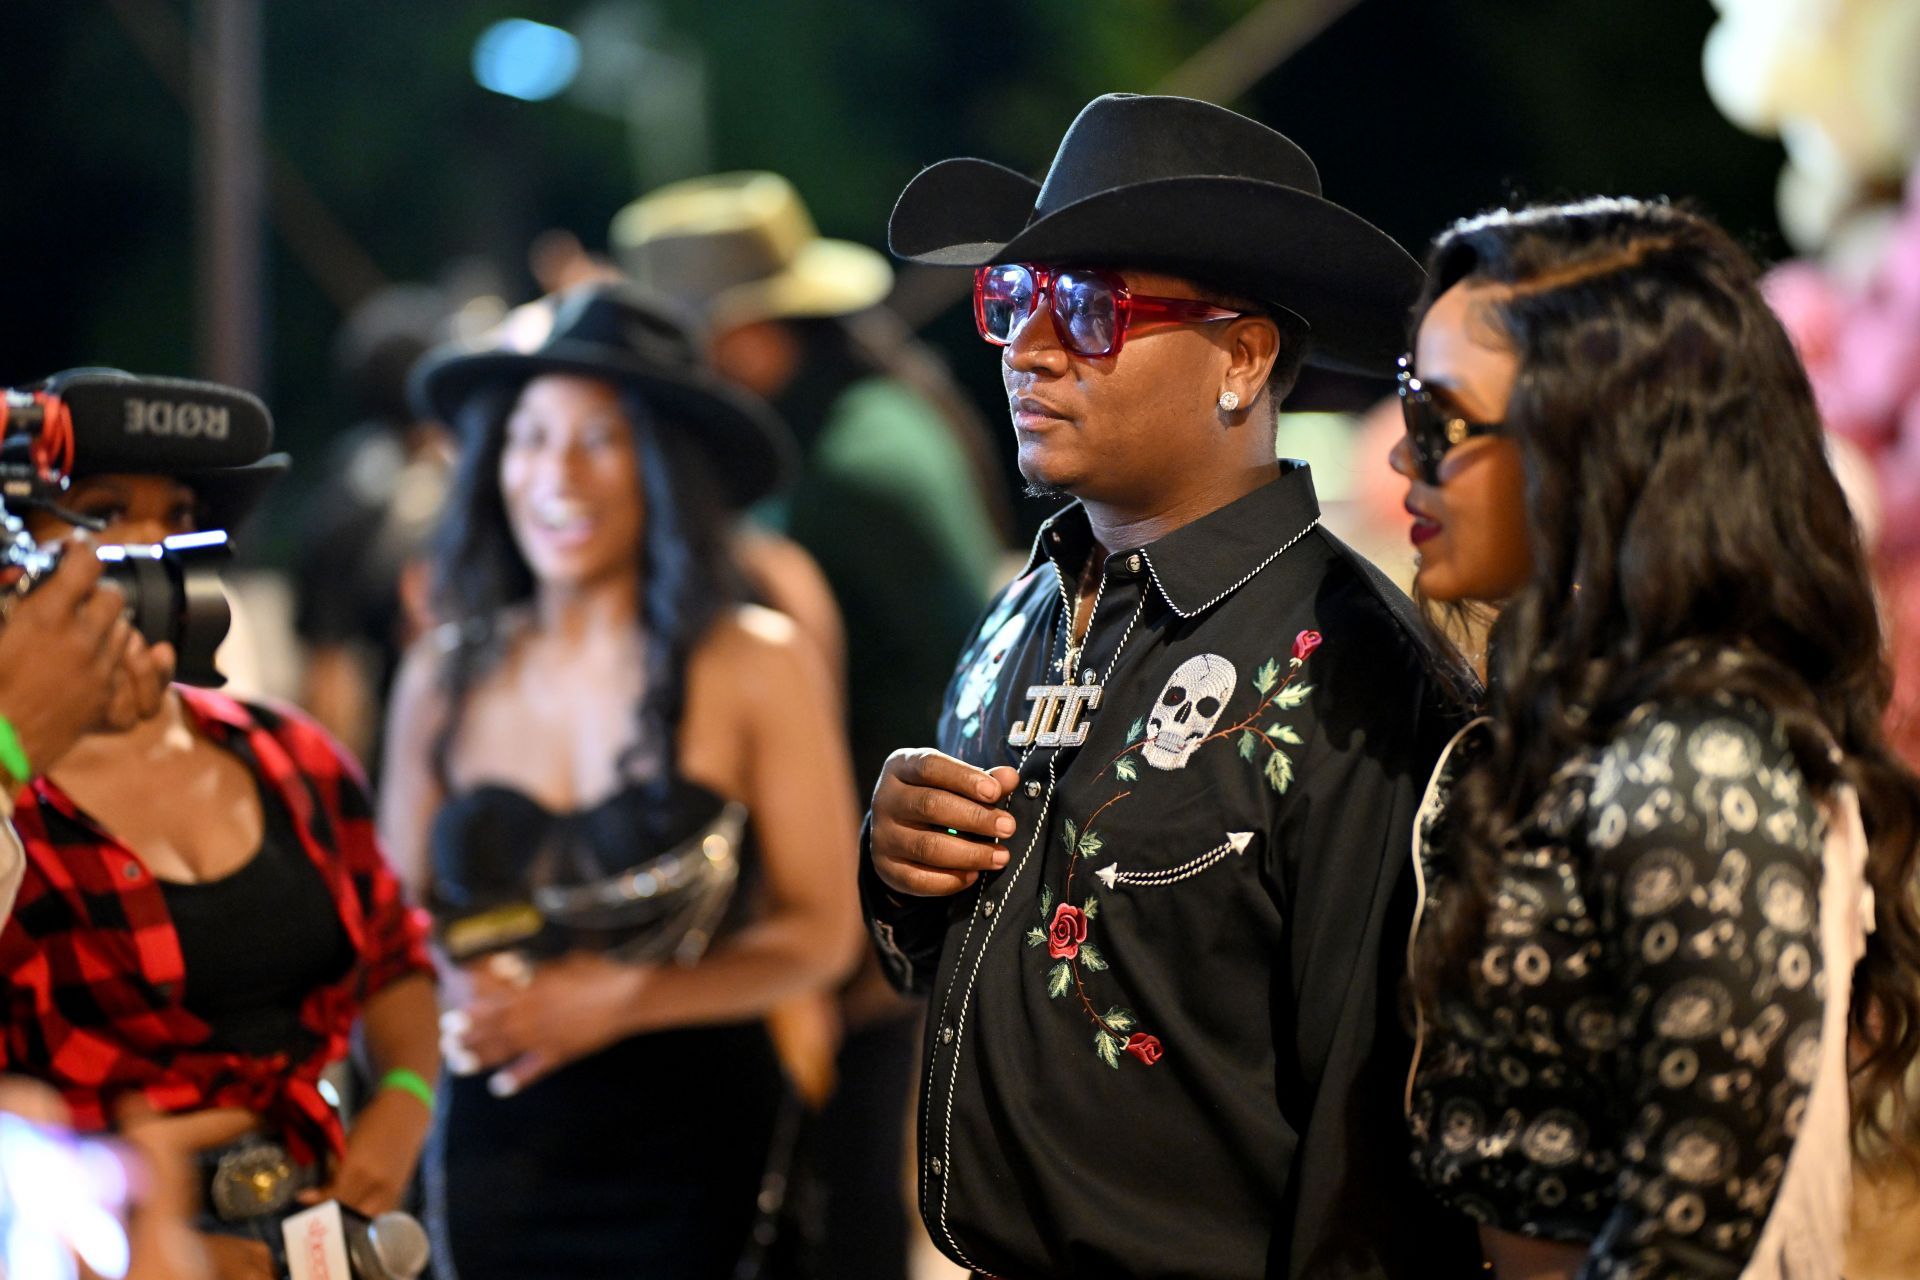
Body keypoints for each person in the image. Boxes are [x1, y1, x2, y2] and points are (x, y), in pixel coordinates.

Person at [860, 92, 1482, 1278]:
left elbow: (1377, 1150)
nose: (1028, 348)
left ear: (1241, 356)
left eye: (1090, 310)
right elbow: (977, 964)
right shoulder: (1024, 609)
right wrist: (898, 872)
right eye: (1014, 301)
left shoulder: (1357, 675)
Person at [1392, 197, 1920, 1278]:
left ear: (1599, 441)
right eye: (1409, 406)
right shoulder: (1589, 716)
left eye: (1443, 420)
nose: (1406, 458)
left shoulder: (1698, 760)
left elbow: (1690, 1231)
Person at [384, 282, 863, 1279]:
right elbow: (394, 921)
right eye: (528, 436)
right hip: (491, 1141)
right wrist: (454, 976)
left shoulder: (754, 660)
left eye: (599, 438)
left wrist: (627, 996)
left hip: (700, 1149)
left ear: (663, 463)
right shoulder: (442, 669)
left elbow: (825, 932)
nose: (556, 473)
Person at [615, 170, 1011, 1276]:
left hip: (866, 913)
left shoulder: (852, 466)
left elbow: (954, 707)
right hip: (862, 900)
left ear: (740, 340)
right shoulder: (867, 414)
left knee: (837, 1223)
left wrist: (843, 944)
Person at [0, 391, 440, 1280]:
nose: (148, 548)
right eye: (103, 512)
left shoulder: (291, 755)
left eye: (183, 515)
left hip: (325, 1231)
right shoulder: (12, 793)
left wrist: (398, 1113)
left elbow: (399, 959)